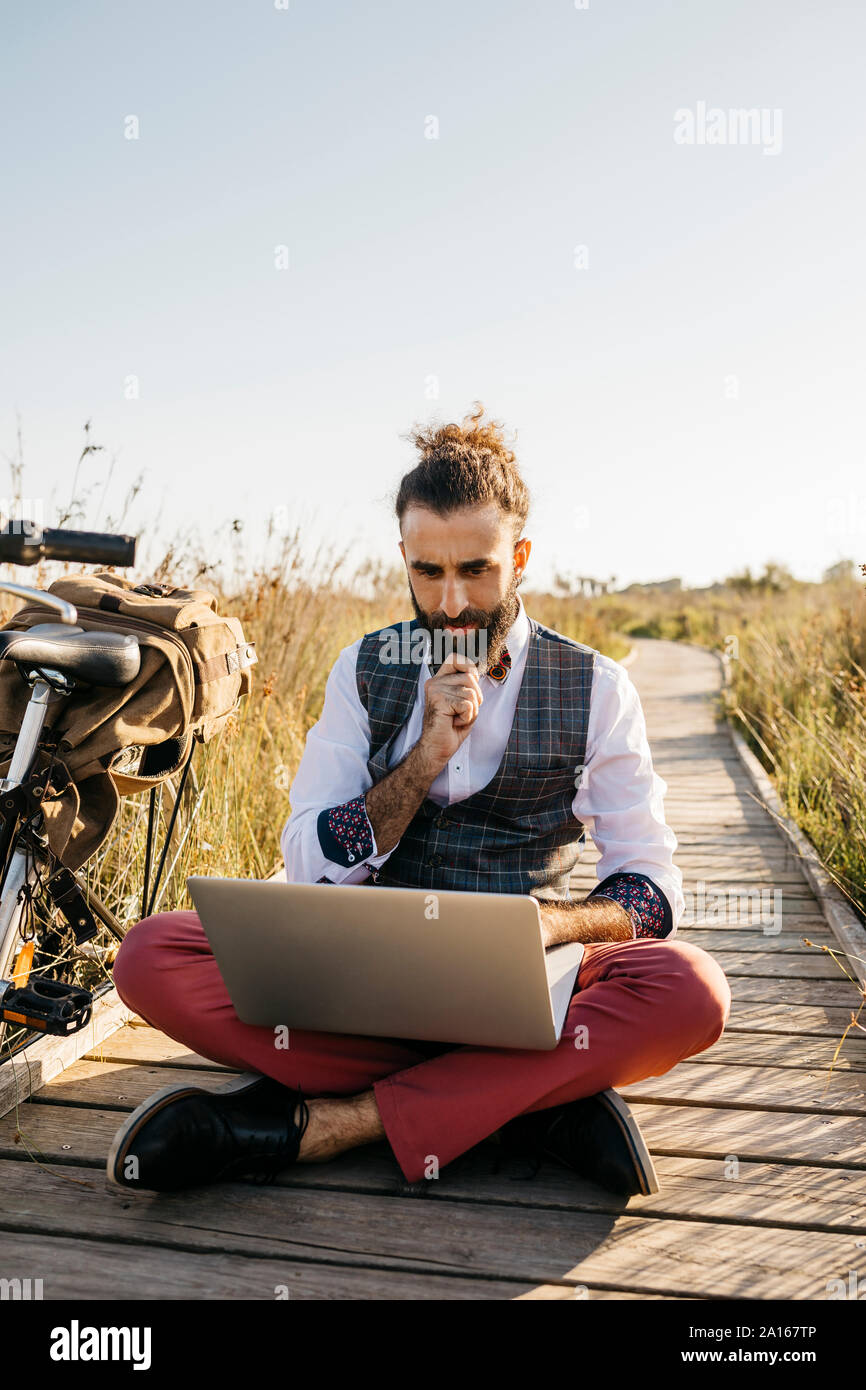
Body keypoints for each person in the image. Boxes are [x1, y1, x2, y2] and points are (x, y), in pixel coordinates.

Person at [108, 404, 730, 1197]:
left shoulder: (597, 688)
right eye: (427, 572)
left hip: (531, 982)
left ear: (522, 557)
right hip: (369, 977)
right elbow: (309, 859)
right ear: (403, 556)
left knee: (690, 991)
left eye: (476, 569)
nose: (449, 603)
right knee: (154, 956)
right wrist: (421, 762)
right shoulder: (361, 671)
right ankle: (527, 1100)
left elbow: (649, 890)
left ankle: (326, 1125)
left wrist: (553, 926)